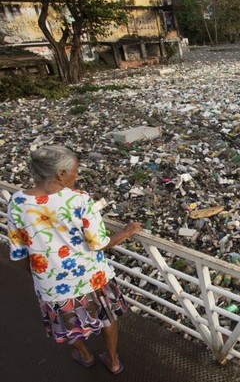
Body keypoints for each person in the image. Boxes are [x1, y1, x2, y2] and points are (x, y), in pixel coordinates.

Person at [7, 145, 141, 374]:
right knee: (107, 318)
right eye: (75, 171)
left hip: (52, 284)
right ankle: (113, 360)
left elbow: (18, 253)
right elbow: (98, 242)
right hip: (92, 277)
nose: (76, 176)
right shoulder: (79, 199)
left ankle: (86, 355)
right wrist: (126, 233)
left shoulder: (17, 202)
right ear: (60, 174)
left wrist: (38, 275)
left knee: (66, 323)